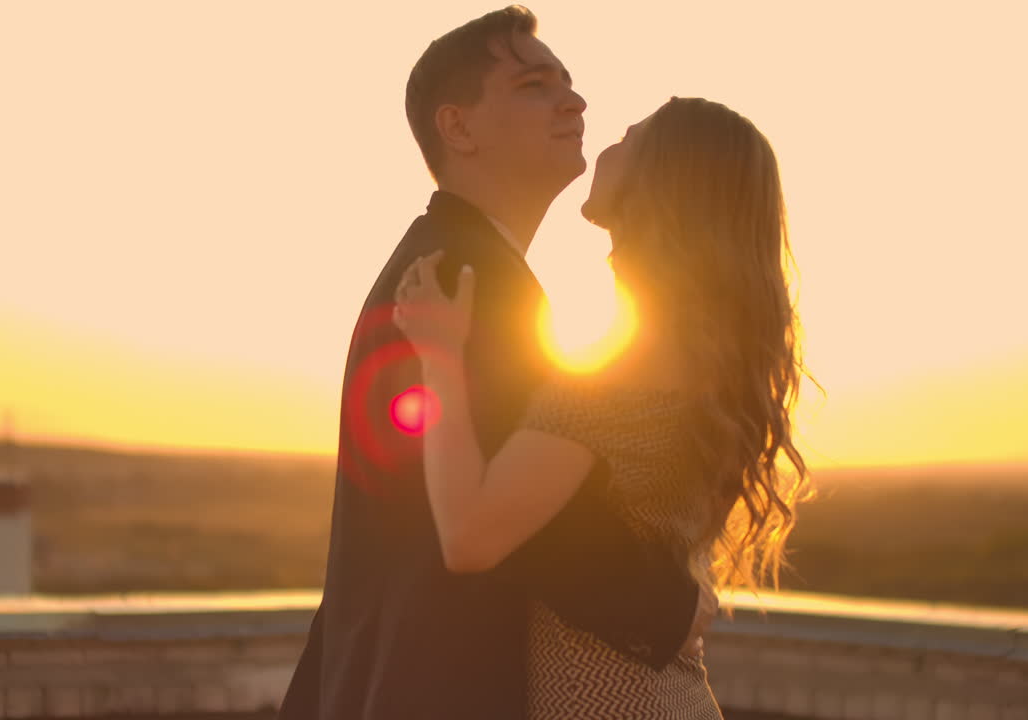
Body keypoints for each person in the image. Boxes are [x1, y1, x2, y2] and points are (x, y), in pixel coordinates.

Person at [275, 7, 715, 720]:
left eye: (569, 83)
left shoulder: (447, 263)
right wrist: (671, 603)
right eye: (534, 85)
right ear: (459, 127)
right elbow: (520, 523)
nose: (573, 101)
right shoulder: (466, 279)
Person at [392, 95, 811, 718]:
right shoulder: (700, 361)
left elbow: (470, 534)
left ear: (663, 182)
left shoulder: (625, 371)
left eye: (628, 139)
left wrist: (441, 358)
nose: (605, 147)